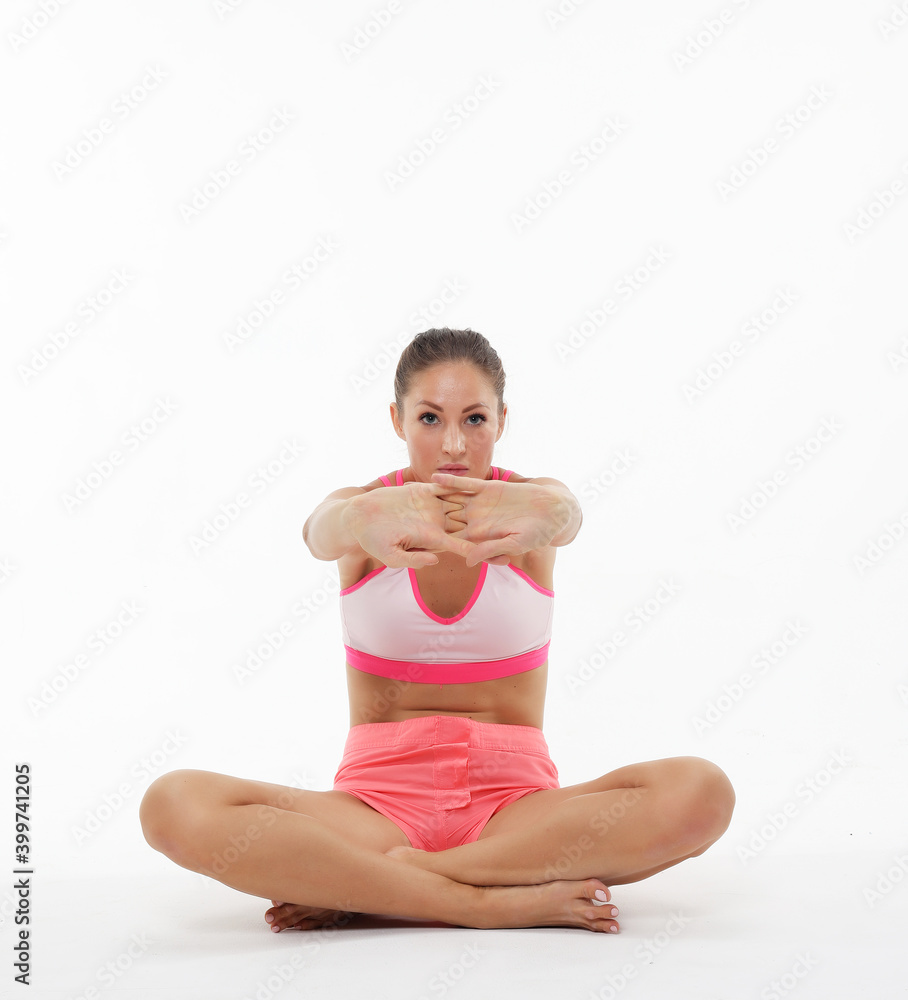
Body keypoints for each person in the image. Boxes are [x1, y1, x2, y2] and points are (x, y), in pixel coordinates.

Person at [139, 327, 735, 934]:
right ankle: (479, 900)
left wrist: (560, 510)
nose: (454, 443)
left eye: (475, 418)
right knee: (173, 804)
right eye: (430, 418)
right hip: (375, 807)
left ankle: (375, 886)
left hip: (515, 811)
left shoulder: (527, 509)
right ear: (397, 420)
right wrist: (353, 517)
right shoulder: (366, 514)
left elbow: (564, 509)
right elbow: (318, 532)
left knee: (700, 792)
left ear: (503, 420)